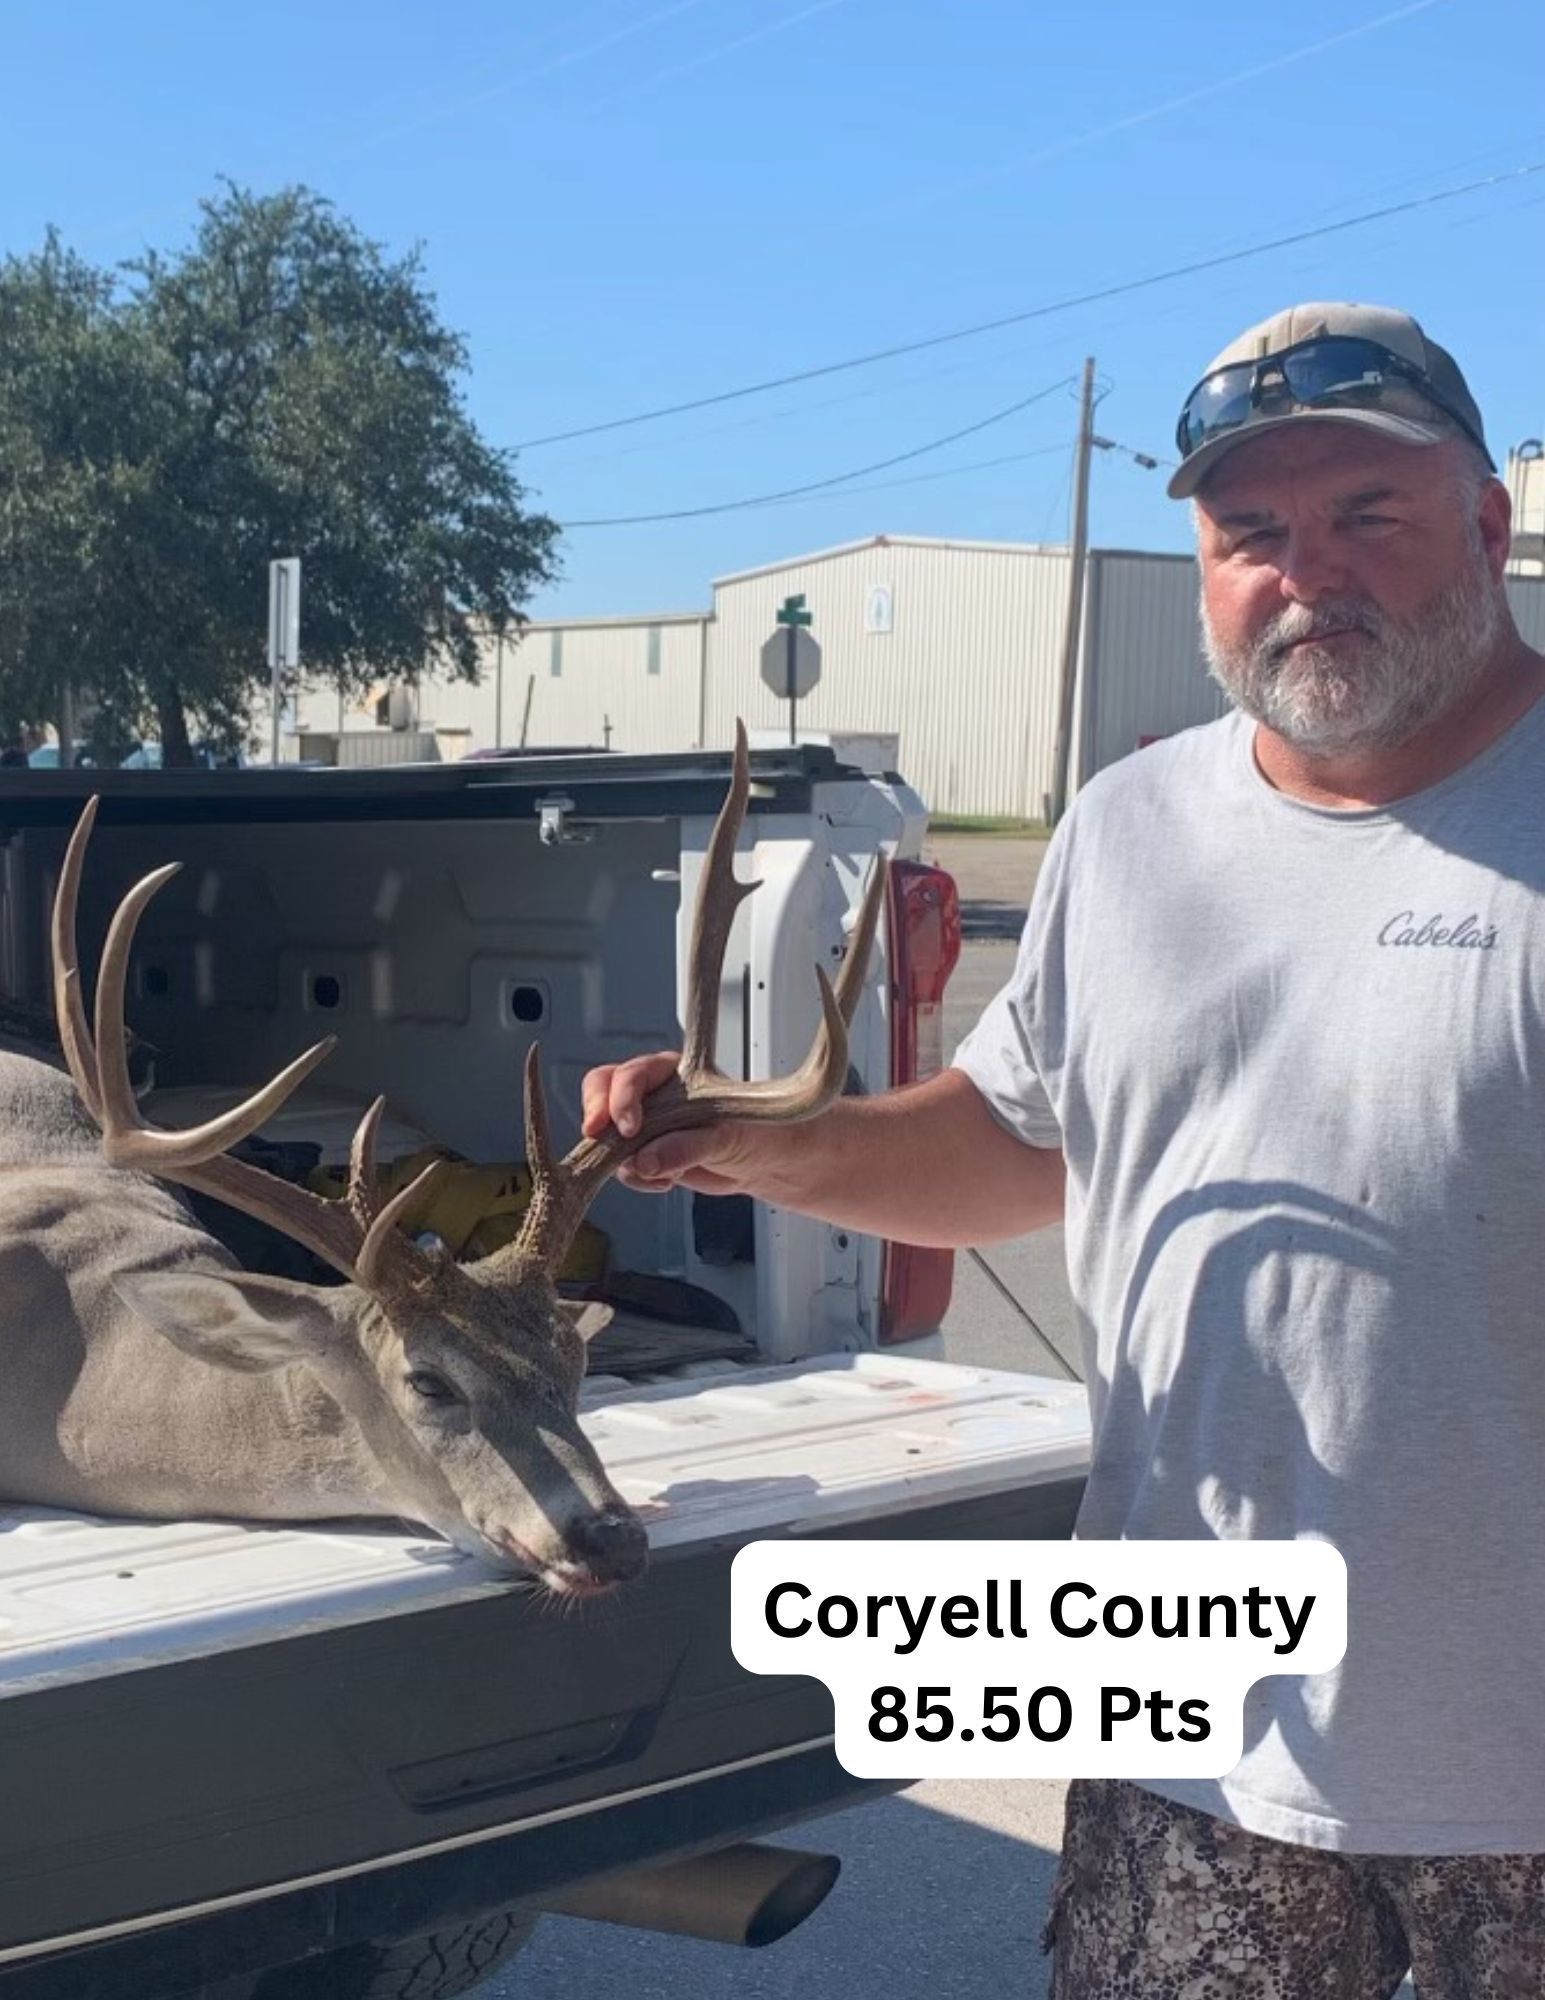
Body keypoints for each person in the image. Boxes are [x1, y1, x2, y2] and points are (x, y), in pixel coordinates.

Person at [581, 302, 1545, 1998]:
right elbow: (1020, 1149)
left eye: (1365, 517)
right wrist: (763, 1150)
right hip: (1186, 1733)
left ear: (1486, 521)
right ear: (1199, 569)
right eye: (1250, 534)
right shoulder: (1132, 823)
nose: (1303, 572)